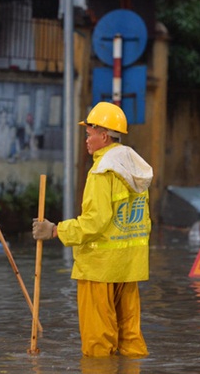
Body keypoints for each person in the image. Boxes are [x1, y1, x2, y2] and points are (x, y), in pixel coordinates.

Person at [32, 102, 153, 357]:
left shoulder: (102, 171)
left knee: (98, 343)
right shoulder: (135, 168)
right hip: (129, 267)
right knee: (130, 338)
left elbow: (94, 222)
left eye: (89, 134)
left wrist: (55, 230)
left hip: (99, 268)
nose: (86, 140)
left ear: (104, 136)